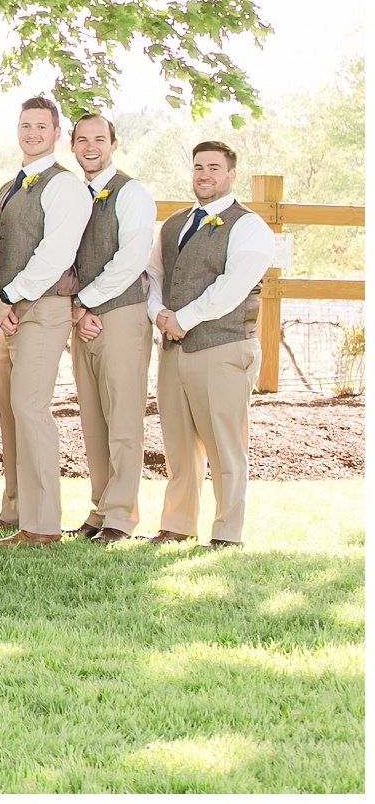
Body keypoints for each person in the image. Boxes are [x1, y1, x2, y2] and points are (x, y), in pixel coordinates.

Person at [146, 141, 270, 548]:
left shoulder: (249, 226)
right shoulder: (174, 223)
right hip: (174, 349)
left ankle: (227, 533)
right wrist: (159, 314)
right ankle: (178, 525)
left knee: (224, 444)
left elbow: (232, 287)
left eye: (214, 168)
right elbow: (154, 276)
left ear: (231, 174)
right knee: (178, 445)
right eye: (199, 167)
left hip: (222, 345)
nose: (204, 175)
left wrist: (183, 319)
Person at [0, 94, 94, 545]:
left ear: (56, 134)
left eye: (41, 127)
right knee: (11, 412)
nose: (32, 133)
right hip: (8, 310)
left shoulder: (64, 186)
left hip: (44, 307)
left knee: (31, 409)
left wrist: (8, 295)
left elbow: (55, 255)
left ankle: (44, 524)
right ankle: (16, 511)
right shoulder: (8, 187)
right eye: (26, 126)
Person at [67, 113, 159, 543]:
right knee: (92, 419)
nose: (90, 147)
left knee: (122, 417)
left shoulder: (131, 193)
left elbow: (130, 259)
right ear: (71, 146)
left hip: (120, 314)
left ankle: (121, 516)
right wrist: (77, 310)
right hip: (81, 317)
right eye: (82, 139)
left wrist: (85, 302)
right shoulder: (72, 194)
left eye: (99, 139)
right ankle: (100, 508)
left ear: (114, 144)